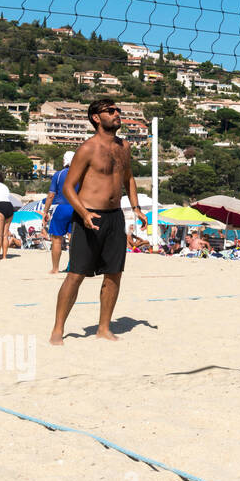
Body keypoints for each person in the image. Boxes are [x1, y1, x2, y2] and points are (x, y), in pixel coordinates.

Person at [50, 98, 147, 344]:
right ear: (96, 117)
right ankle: (58, 329)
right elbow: (70, 188)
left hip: (115, 216)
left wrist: (135, 207)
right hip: (89, 216)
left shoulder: (124, 146)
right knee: (76, 274)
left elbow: (129, 178)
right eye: (111, 110)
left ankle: (104, 328)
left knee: (114, 274)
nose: (117, 113)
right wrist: (83, 213)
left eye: (118, 110)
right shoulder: (87, 149)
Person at [41, 151, 77, 273]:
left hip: (60, 208)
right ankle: (73, 267)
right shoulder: (80, 175)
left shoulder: (59, 175)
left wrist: (45, 211)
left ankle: (55, 268)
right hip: (76, 208)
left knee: (57, 239)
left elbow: (51, 195)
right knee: (74, 239)